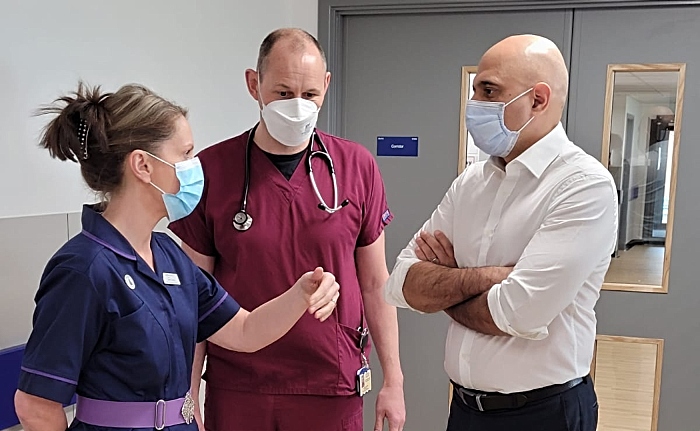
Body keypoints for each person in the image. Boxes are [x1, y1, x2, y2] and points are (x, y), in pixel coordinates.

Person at [13, 83, 340, 431]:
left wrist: (300, 293)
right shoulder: (84, 269)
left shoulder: (168, 254)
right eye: (185, 154)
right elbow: (35, 405)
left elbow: (245, 331)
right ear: (143, 165)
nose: (194, 166)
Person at [169, 28, 405, 431]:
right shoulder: (211, 171)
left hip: (330, 381)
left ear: (326, 87)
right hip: (239, 384)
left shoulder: (357, 166)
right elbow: (195, 298)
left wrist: (394, 380)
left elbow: (374, 283)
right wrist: (187, 392)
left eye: (309, 94)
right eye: (282, 92)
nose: (297, 106)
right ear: (253, 84)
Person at [384, 34, 618, 431]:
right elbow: (403, 283)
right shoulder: (472, 182)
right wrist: (491, 277)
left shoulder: (583, 185)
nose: (474, 104)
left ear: (537, 100)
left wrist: (444, 290)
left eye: (489, 91)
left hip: (544, 413)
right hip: (464, 408)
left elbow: (513, 312)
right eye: (475, 89)